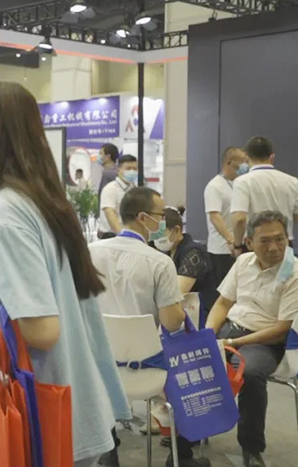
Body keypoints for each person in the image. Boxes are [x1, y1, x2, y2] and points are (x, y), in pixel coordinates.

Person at [0, 82, 130, 467]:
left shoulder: (3, 213)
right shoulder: (46, 202)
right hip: (76, 402)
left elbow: (41, 330)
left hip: (43, 413)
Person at [89, 187, 202, 467]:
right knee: (192, 364)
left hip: (98, 368)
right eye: (160, 216)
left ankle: (107, 448)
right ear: (142, 217)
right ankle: (182, 455)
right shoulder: (159, 262)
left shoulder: (88, 253)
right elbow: (171, 322)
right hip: (149, 370)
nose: (163, 222)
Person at [207, 210, 298, 467]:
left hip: (265, 341)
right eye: (265, 241)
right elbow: (223, 303)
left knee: (249, 373)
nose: (274, 247)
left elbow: (281, 329)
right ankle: (188, 437)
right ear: (249, 242)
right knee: (191, 358)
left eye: (279, 239)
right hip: (231, 329)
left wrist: (233, 344)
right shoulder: (243, 263)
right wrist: (208, 335)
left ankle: (251, 448)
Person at [231, 136, 298, 255]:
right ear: (272, 157)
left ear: (246, 157)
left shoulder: (243, 182)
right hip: (284, 244)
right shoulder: (292, 181)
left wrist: (237, 246)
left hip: (256, 245)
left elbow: (239, 219)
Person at [154, 206, 219, 328]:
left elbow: (177, 291)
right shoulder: (167, 252)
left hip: (200, 314)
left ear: (177, 230)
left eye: (161, 233)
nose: (157, 238)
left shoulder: (193, 252)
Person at [204, 146, 248, 285]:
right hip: (222, 250)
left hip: (240, 247)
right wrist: (230, 240)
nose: (245, 165)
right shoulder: (215, 186)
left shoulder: (240, 184)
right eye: (242, 162)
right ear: (229, 163)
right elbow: (214, 216)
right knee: (224, 289)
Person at [97, 154, 138, 238]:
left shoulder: (134, 188)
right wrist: (122, 235)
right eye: (128, 168)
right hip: (111, 236)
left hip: (129, 236)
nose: (132, 172)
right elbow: (109, 213)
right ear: (118, 170)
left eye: (134, 169)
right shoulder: (110, 189)